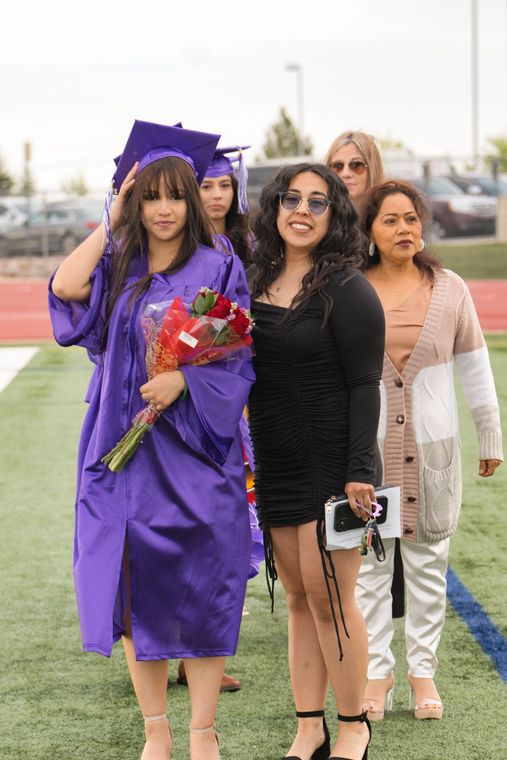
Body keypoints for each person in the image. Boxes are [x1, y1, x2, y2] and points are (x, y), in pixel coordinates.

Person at [48, 120, 255, 760]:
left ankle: (202, 734)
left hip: (196, 448)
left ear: (193, 201)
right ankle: (156, 733)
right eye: (149, 196)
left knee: (209, 581)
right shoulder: (117, 263)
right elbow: (63, 289)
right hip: (122, 447)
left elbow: (239, 359)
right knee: (132, 587)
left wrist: (183, 387)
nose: (163, 209)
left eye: (175, 195)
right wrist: (110, 218)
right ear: (134, 202)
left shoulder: (219, 264)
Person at [248, 163, 385, 760]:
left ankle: (354, 723)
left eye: (317, 202)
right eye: (290, 198)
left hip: (334, 464)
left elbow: (365, 383)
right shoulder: (253, 279)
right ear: (274, 207)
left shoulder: (347, 287)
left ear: (336, 216)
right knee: (300, 598)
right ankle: (310, 726)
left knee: (333, 595)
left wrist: (361, 471)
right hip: (275, 461)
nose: (300, 210)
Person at [357, 180, 503, 722]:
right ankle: (379, 673)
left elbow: (475, 365)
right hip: (364, 455)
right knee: (370, 569)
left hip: (433, 453)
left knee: (426, 564)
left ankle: (422, 673)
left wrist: (489, 432)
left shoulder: (450, 288)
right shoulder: (350, 286)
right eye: (390, 220)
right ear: (369, 232)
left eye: (412, 218)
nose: (404, 229)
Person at [176, 145, 262, 694]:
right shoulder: (170, 249)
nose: (215, 195)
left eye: (223, 186)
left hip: (224, 401)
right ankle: (166, 653)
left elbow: (239, 328)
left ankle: (196, 654)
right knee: (174, 531)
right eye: (205, 185)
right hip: (172, 405)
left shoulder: (237, 248)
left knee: (215, 531)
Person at [325, 132, 406, 620]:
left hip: (385, 378)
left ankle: (387, 598)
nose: (347, 174)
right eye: (338, 165)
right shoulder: (317, 224)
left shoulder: (388, 225)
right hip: (327, 377)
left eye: (357, 165)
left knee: (384, 482)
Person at [324, 131, 384, 210]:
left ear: (373, 169)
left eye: (357, 165)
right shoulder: (317, 217)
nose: (345, 174)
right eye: (338, 166)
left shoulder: (390, 214)